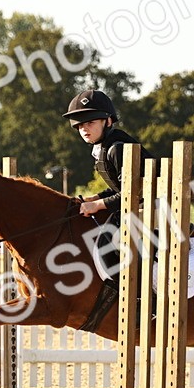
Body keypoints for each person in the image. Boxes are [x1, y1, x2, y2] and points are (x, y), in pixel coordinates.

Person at [62, 89, 151, 280]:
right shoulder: (102, 147)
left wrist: (96, 205)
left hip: (158, 206)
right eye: (80, 125)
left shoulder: (116, 148)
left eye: (90, 123)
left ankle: (139, 294)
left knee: (105, 246)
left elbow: (132, 192)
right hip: (137, 205)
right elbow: (119, 187)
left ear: (108, 121)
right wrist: (95, 198)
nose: (84, 129)